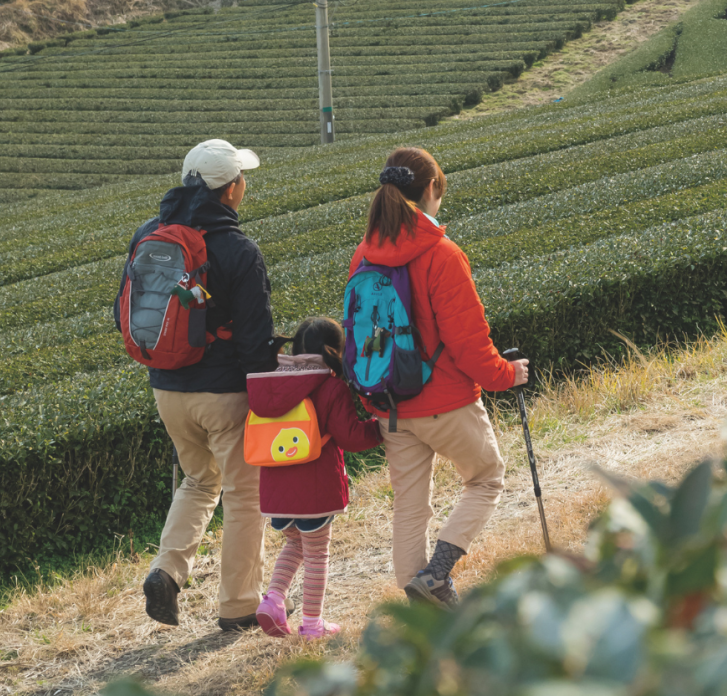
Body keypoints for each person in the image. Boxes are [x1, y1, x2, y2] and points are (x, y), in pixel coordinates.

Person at [348, 146, 530, 608]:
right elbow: (469, 341)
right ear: (430, 189)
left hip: (389, 403)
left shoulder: (364, 256)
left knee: (410, 504)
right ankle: (437, 575)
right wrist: (507, 374)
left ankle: (418, 599)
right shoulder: (442, 254)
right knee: (486, 478)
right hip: (445, 401)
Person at [134, 139, 279, 632]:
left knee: (198, 481)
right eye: (242, 179)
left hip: (166, 388)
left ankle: (166, 570)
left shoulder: (151, 234)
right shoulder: (239, 250)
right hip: (222, 394)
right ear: (231, 189)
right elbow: (257, 344)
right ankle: (238, 606)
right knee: (244, 495)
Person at [246, 318, 383, 639]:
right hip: (315, 489)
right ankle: (311, 624)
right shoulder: (331, 386)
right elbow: (350, 437)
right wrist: (378, 426)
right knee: (317, 554)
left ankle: (273, 601)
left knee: (296, 544)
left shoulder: (271, 384)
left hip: (275, 489)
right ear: (335, 351)